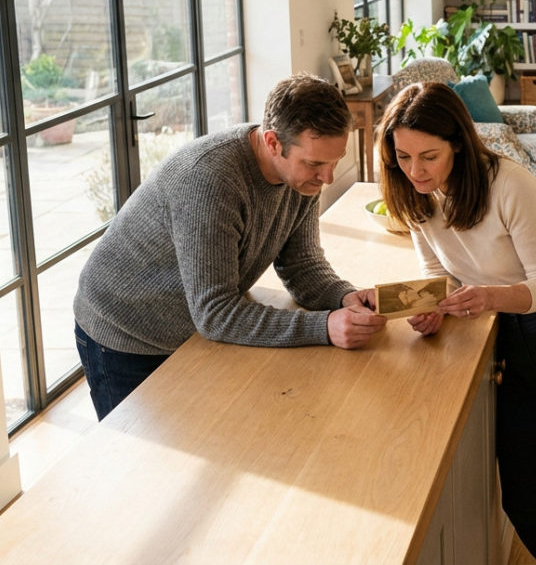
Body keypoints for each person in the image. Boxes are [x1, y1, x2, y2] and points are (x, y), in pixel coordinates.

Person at [377, 82, 536, 564]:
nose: (415, 170)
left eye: (428, 156)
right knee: (525, 497)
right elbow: (439, 273)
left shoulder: (510, 183)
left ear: (458, 142)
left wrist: (486, 296)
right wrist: (433, 308)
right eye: (403, 157)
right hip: (513, 340)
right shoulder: (416, 196)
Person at [73, 73, 386, 420]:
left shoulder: (300, 178)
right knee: (138, 463)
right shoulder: (210, 180)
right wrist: (323, 327)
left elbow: (302, 265)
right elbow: (216, 312)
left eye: (335, 161)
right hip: (124, 333)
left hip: (191, 330)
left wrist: (343, 298)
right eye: (314, 163)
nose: (327, 177)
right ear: (272, 142)